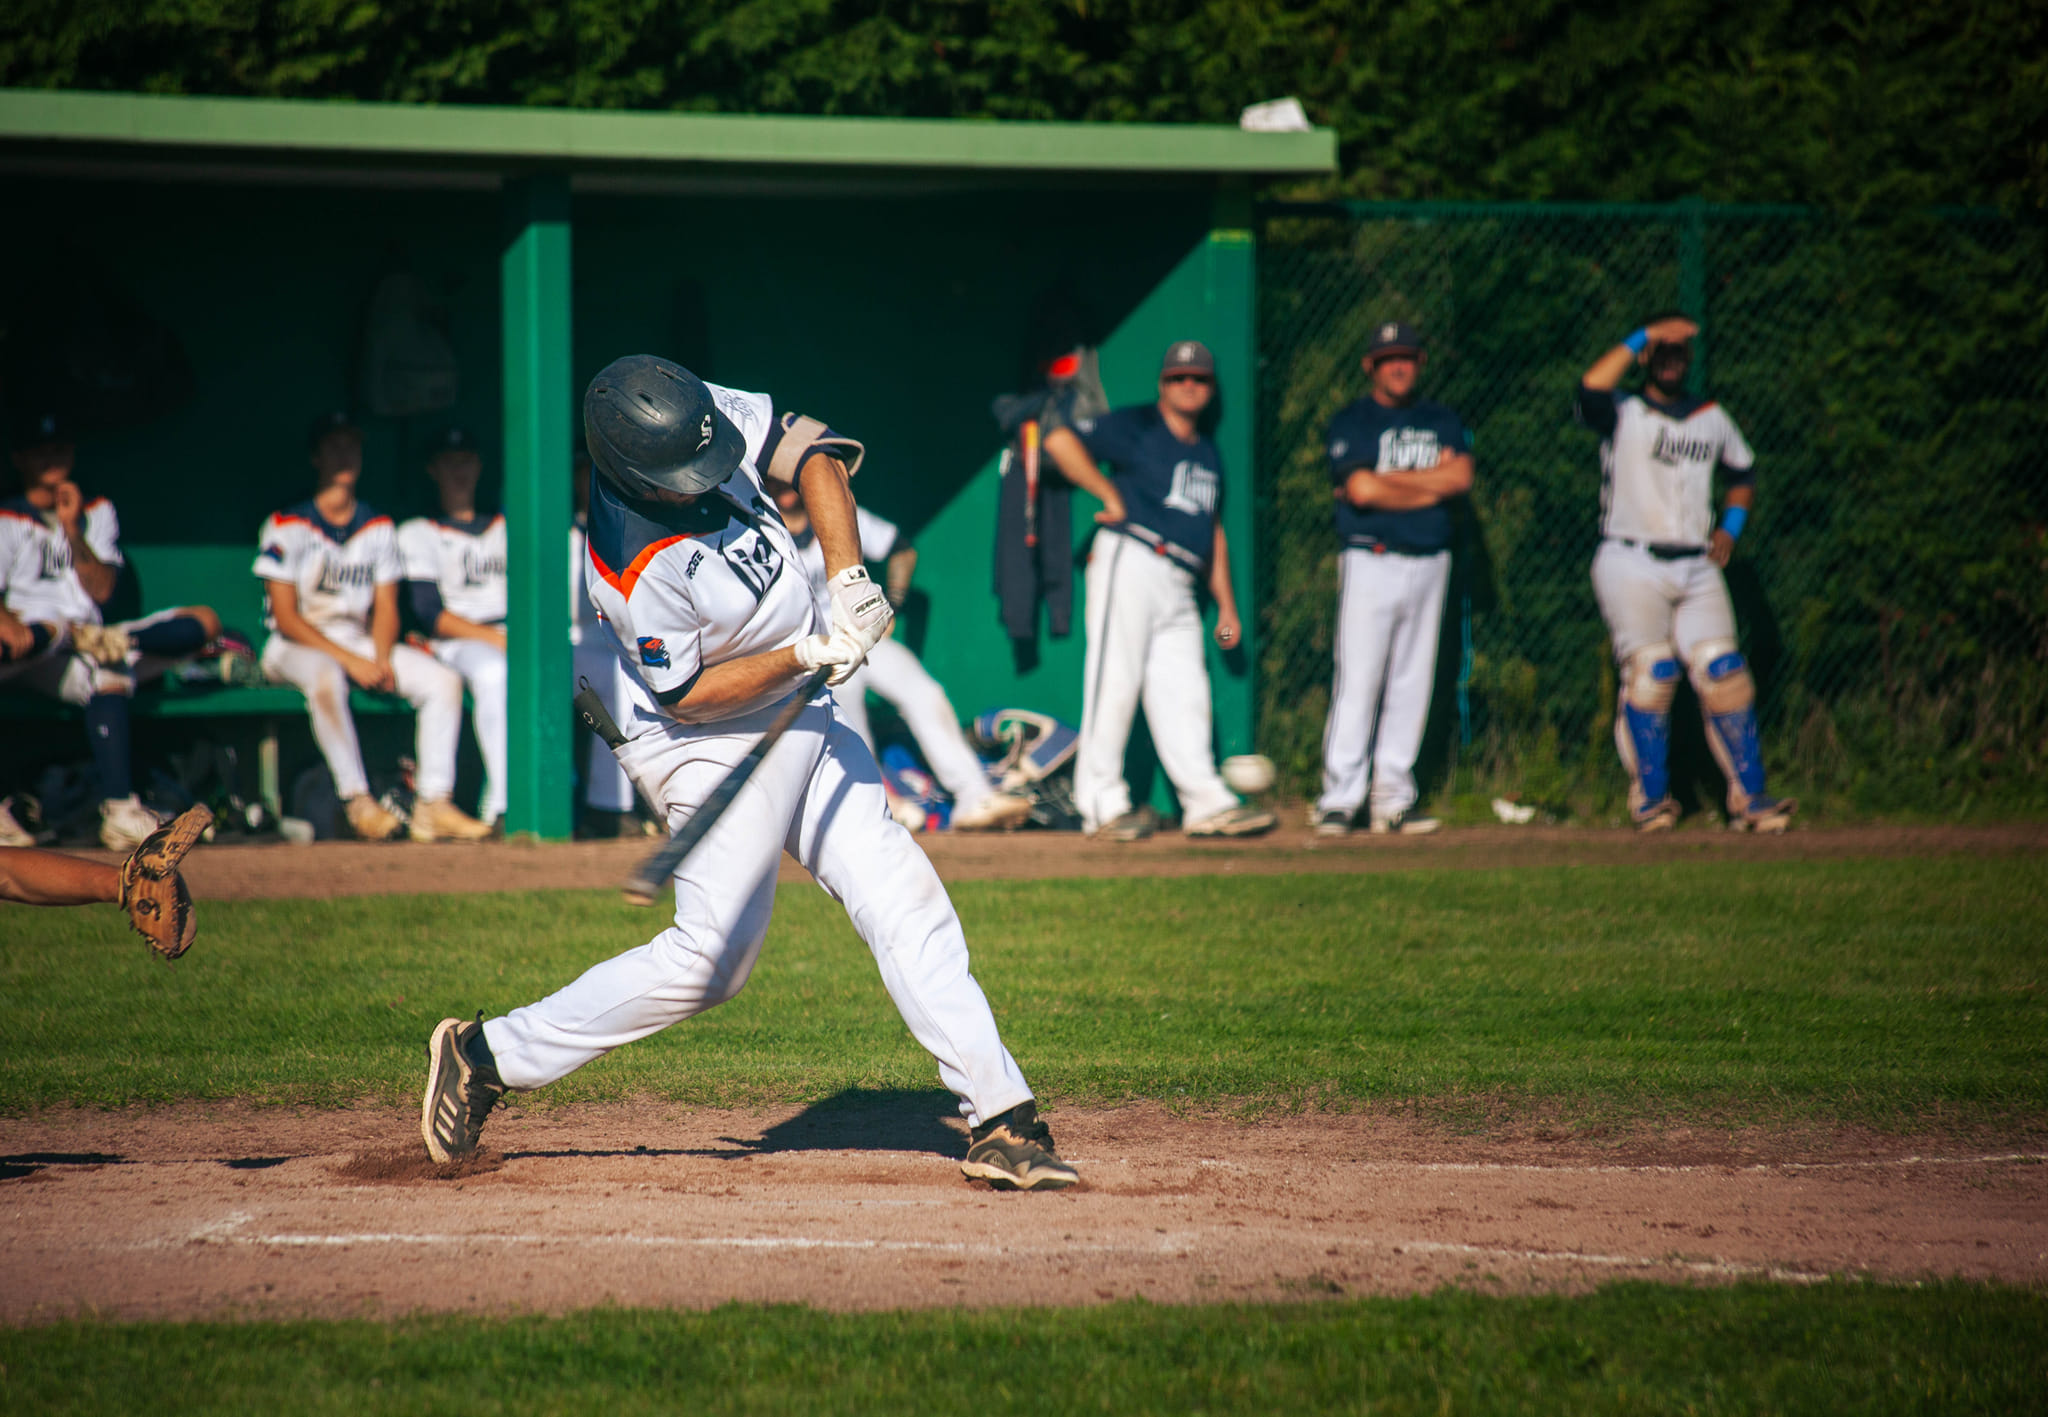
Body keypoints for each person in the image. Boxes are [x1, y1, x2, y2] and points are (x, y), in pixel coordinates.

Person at [420, 355, 1078, 1192]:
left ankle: (1002, 1117)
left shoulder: (694, 411)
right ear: (626, 472)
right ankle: (485, 1054)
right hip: (702, 741)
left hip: (803, 706)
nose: (706, 475)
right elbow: (689, 694)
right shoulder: (627, 564)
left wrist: (847, 581)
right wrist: (803, 650)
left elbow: (816, 456)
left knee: (901, 895)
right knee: (709, 963)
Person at [1041, 339, 1274, 841]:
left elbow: (1211, 528)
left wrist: (1227, 604)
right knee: (1115, 683)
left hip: (1184, 579)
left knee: (1186, 691)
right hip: (1134, 557)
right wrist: (1107, 493)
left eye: (1199, 378)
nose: (1189, 385)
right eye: (1179, 377)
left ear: (1210, 388)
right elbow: (1057, 440)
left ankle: (1206, 803)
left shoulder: (1207, 450)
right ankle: (1102, 804)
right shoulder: (1136, 425)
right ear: (1163, 383)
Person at [1576, 315, 1796, 832]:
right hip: (1631, 558)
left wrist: (1733, 526)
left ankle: (1751, 800)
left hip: (1697, 562)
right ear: (1648, 357)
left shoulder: (1710, 416)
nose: (1672, 360)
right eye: (1663, 352)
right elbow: (1589, 386)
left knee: (1725, 672)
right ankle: (1651, 801)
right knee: (1653, 674)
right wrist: (1642, 336)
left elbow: (1742, 472)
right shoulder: (1623, 410)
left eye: (1680, 353)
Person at [253, 412, 490, 843]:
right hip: (294, 646)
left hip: (359, 641)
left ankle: (433, 802)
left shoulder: (377, 526)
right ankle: (357, 799)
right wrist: (352, 661)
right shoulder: (286, 525)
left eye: (352, 446)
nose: (345, 455)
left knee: (442, 681)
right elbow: (286, 618)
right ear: (316, 456)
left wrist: (379, 657)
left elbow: (385, 607)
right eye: (335, 446)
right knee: (325, 678)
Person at [766, 455, 1032, 832]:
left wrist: (894, 600)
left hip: (858, 633)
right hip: (813, 647)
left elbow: (902, 548)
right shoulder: (761, 530)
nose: (783, 489)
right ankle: (881, 801)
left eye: (787, 480)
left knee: (924, 692)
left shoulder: (831, 513)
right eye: (773, 481)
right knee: (847, 702)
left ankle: (975, 795)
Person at [0, 410, 224, 850]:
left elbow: (101, 590)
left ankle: (121, 812)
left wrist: (71, 529)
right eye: (41, 450)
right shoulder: (7, 516)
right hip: (30, 644)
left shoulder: (95, 511)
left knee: (185, 631)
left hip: (89, 640)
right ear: (20, 458)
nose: (53, 457)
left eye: (60, 448)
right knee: (58, 633)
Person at [1312, 322, 1473, 836]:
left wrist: (1392, 485)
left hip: (1430, 561)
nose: (1398, 366)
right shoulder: (1353, 420)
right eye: (1388, 358)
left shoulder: (1441, 419)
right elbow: (1359, 490)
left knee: (1412, 682)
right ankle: (1340, 798)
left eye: (1406, 357)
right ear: (1370, 366)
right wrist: (1430, 486)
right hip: (1371, 559)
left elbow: (1461, 479)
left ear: (1420, 362)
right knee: (1359, 680)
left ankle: (1392, 799)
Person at [398, 427, 509, 830]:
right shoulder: (417, 532)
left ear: (479, 466)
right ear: (433, 469)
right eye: (450, 462)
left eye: (466, 461)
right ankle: (502, 805)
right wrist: (498, 640)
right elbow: (429, 614)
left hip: (509, 635)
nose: (460, 471)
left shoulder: (506, 526)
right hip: (457, 640)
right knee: (495, 671)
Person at [569, 450, 650, 835]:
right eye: (589, 473)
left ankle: (629, 804)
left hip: (615, 640)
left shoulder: (629, 526)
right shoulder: (561, 531)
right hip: (567, 643)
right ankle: (608, 808)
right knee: (613, 677)